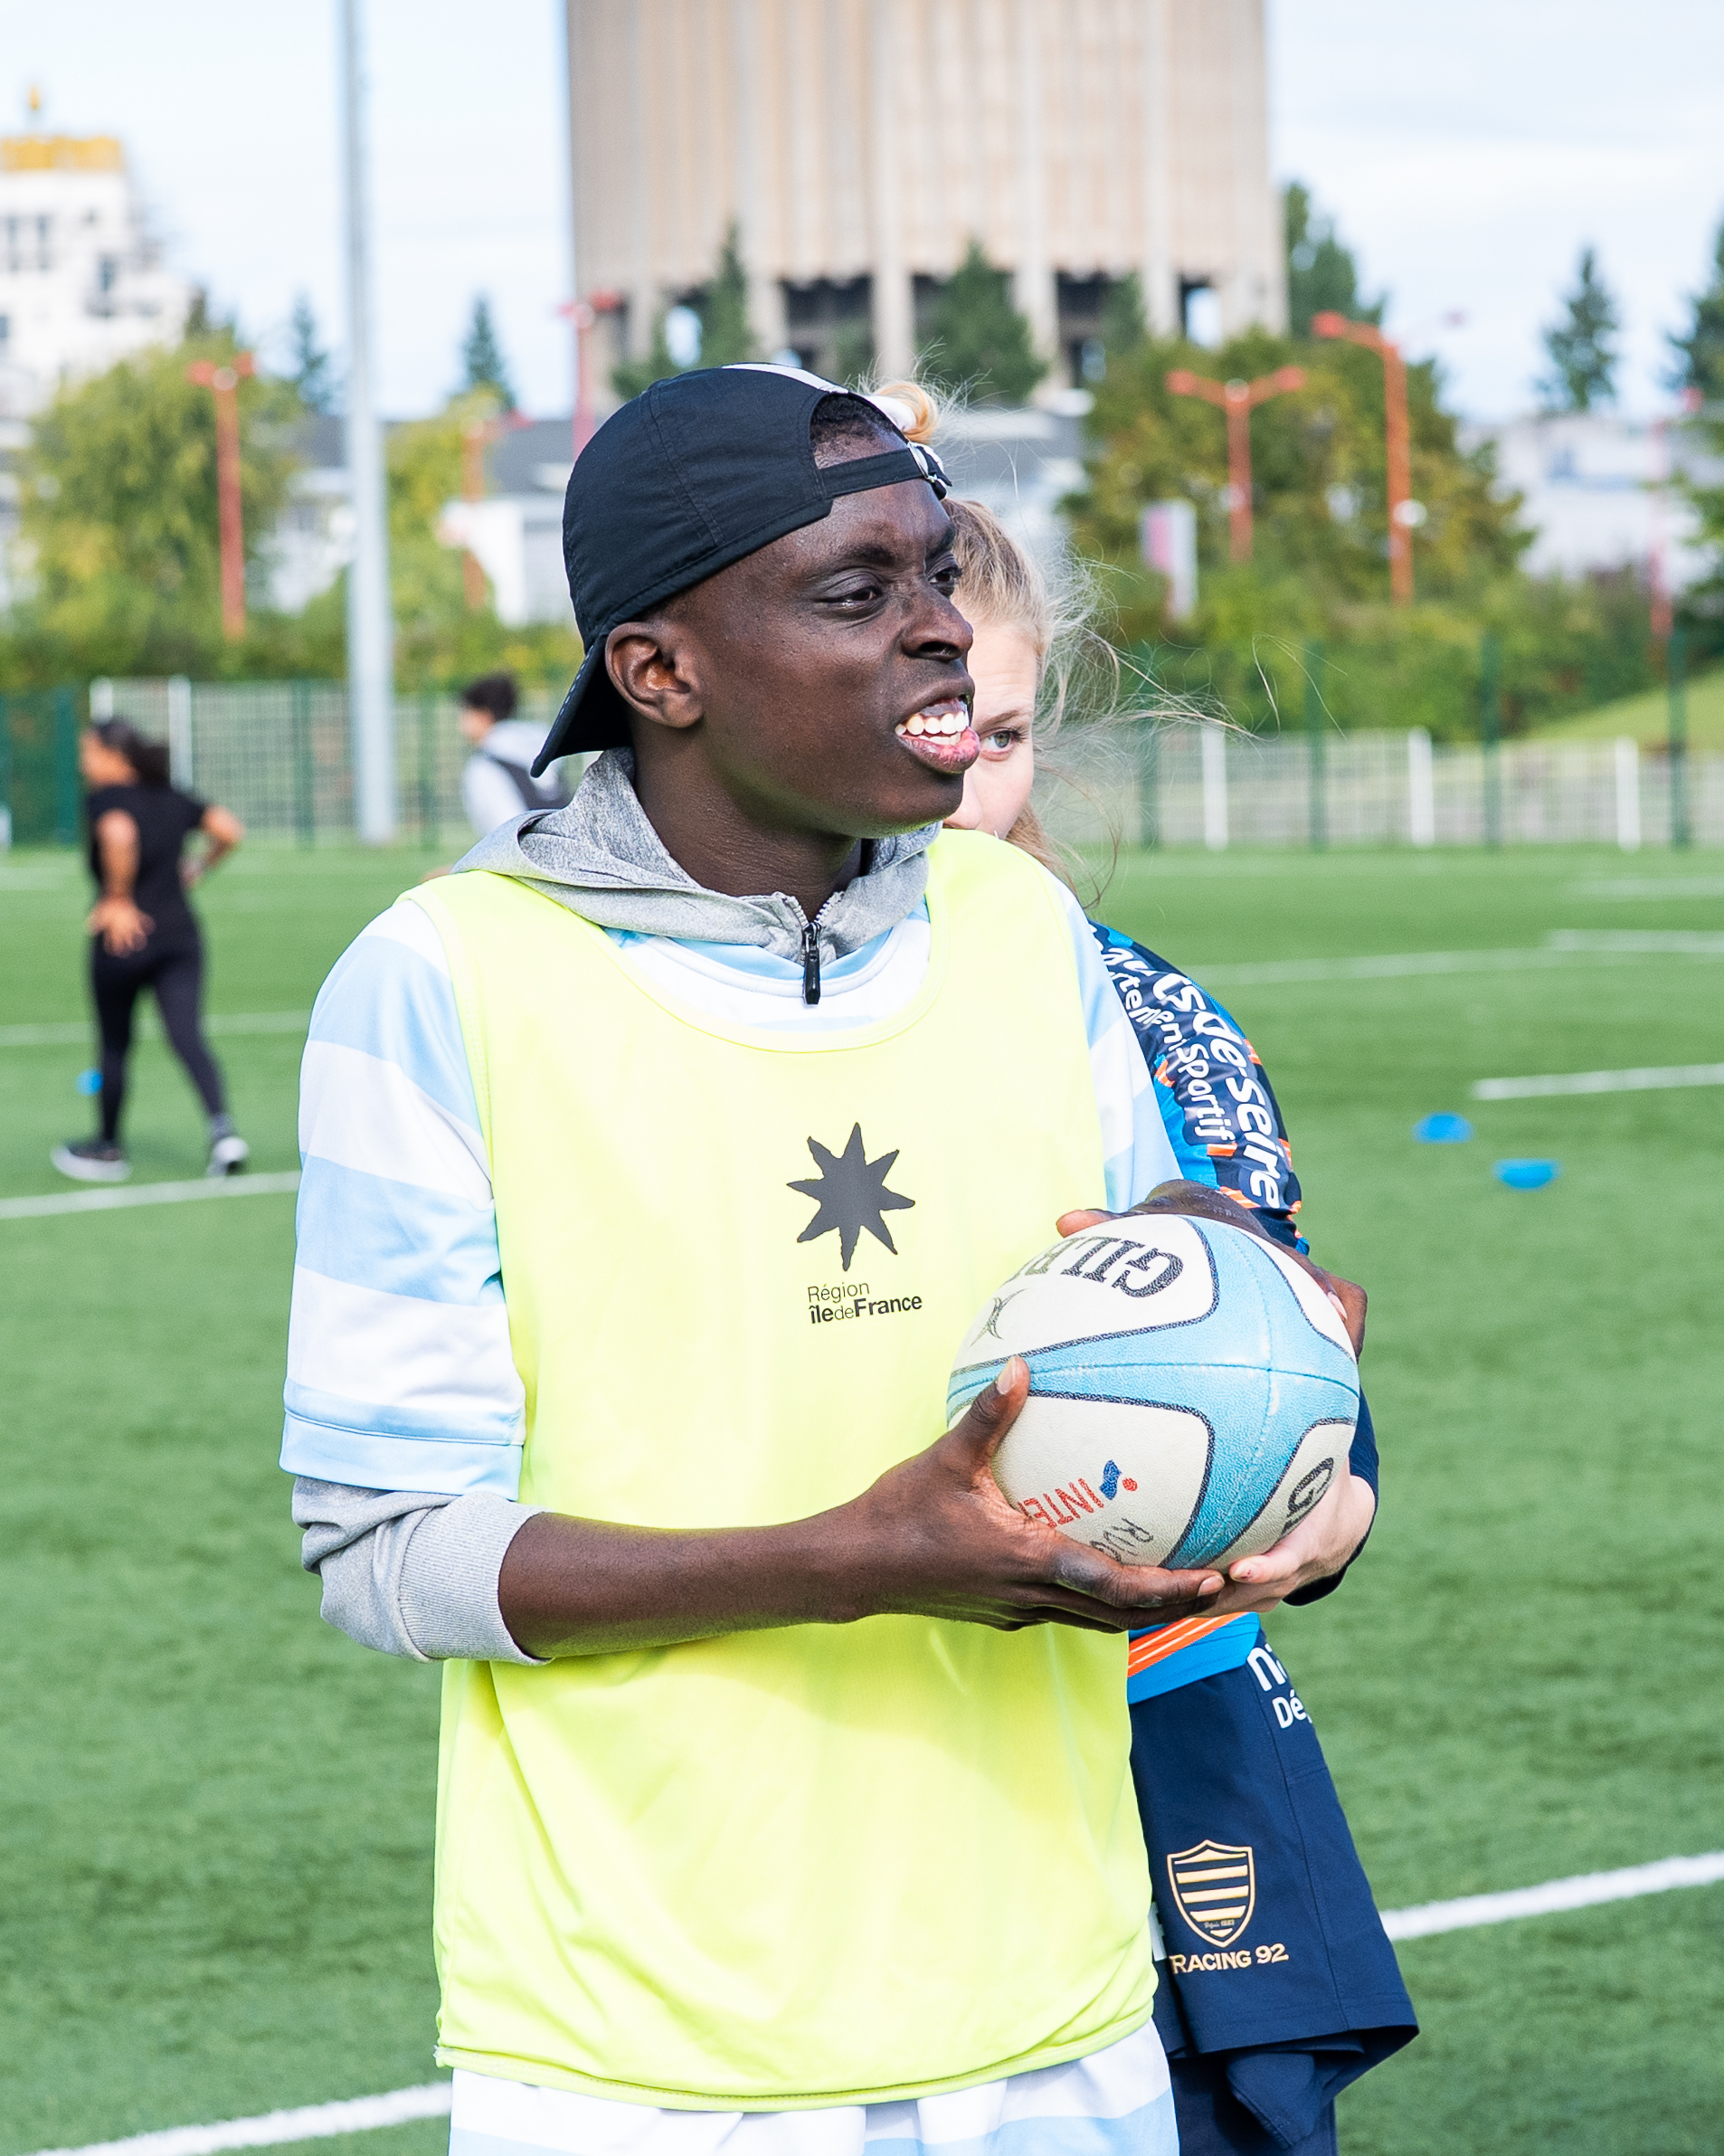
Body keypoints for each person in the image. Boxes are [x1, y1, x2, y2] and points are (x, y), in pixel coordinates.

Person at [283, 363, 1367, 2156]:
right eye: (856, 592)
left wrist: (1268, 1372)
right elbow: (389, 1550)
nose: (937, 626)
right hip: (640, 2063)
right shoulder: (444, 978)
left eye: (936, 571)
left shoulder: (1016, 924)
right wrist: (849, 1560)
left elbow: (1139, 1298)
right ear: (660, 671)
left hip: (1063, 2019)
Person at [919, 461, 1416, 2156]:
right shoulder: (693, 1016)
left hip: (1150, 1707)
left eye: (998, 733)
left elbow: (1289, 1373)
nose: (959, 782)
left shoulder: (1142, 1014)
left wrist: (1327, 1509)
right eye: (927, 726)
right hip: (846, 1731)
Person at [52, 717, 249, 1185]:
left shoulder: (107, 798)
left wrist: (118, 898)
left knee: (115, 1043)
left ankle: (107, 1147)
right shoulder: (171, 794)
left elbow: (118, 834)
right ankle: (223, 1133)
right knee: (187, 1035)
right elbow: (229, 830)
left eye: (89, 752)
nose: (83, 763)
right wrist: (198, 867)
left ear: (114, 756)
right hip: (179, 936)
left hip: (124, 938)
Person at [458, 671, 573, 835]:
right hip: (565, 840)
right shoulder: (543, 744)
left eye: (466, 712)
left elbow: (505, 829)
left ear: (483, 715)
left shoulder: (485, 765)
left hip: (522, 846)